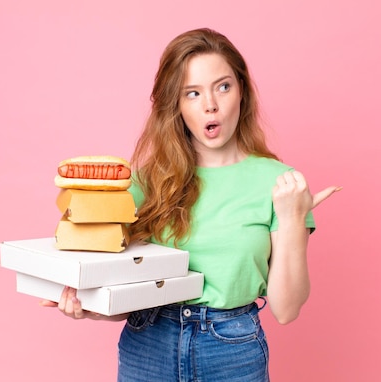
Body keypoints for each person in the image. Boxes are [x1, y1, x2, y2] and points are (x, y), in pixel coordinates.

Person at [41, 28, 340, 381]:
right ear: (177, 105)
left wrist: (291, 218)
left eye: (223, 86)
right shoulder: (147, 182)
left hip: (231, 350)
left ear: (241, 91)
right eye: (193, 93)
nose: (210, 104)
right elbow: (126, 283)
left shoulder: (281, 184)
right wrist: (90, 306)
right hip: (148, 343)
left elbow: (287, 309)